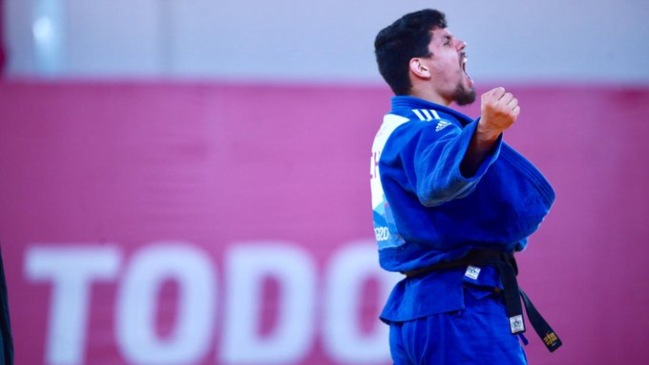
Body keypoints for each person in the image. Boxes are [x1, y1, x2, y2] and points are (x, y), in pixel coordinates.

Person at [370, 9, 561, 364]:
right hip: (461, 308)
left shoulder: (397, 128)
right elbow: (438, 180)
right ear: (421, 68)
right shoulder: (423, 127)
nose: (460, 43)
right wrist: (484, 133)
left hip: (428, 308)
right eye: (445, 40)